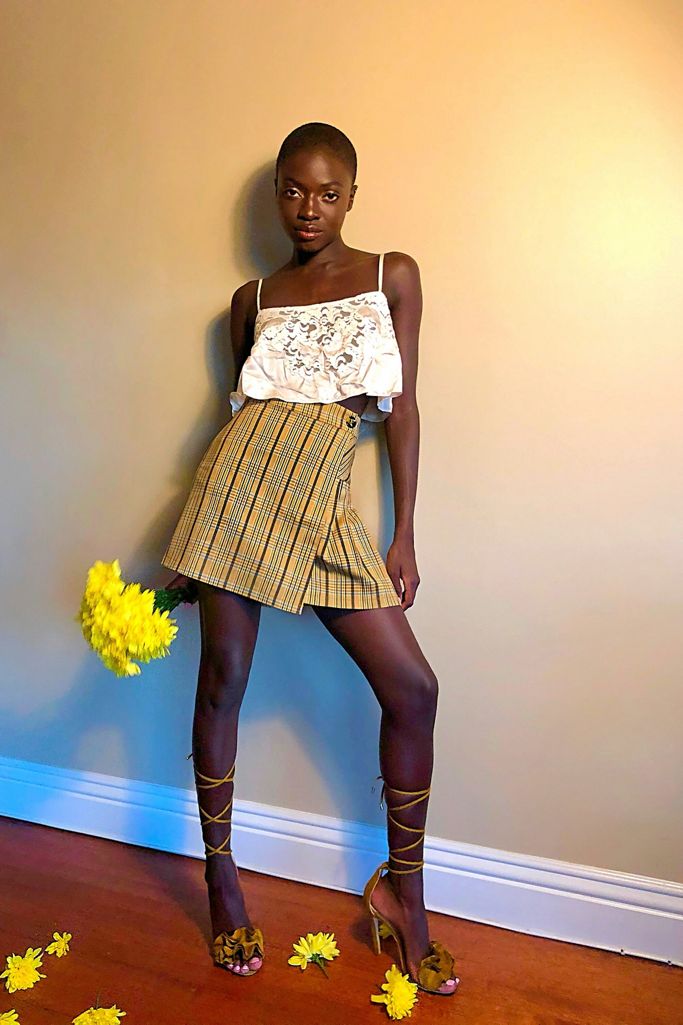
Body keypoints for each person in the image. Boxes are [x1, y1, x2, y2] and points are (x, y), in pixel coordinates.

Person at [160, 122, 458, 997]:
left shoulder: (387, 274)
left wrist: (402, 532)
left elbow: (399, 410)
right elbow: (237, 421)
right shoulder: (250, 296)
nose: (308, 208)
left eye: (327, 192)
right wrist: (194, 540)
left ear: (353, 195)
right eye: (292, 189)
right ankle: (221, 877)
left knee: (414, 689)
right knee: (221, 681)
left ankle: (405, 892)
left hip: (327, 500)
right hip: (238, 493)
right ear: (276, 192)